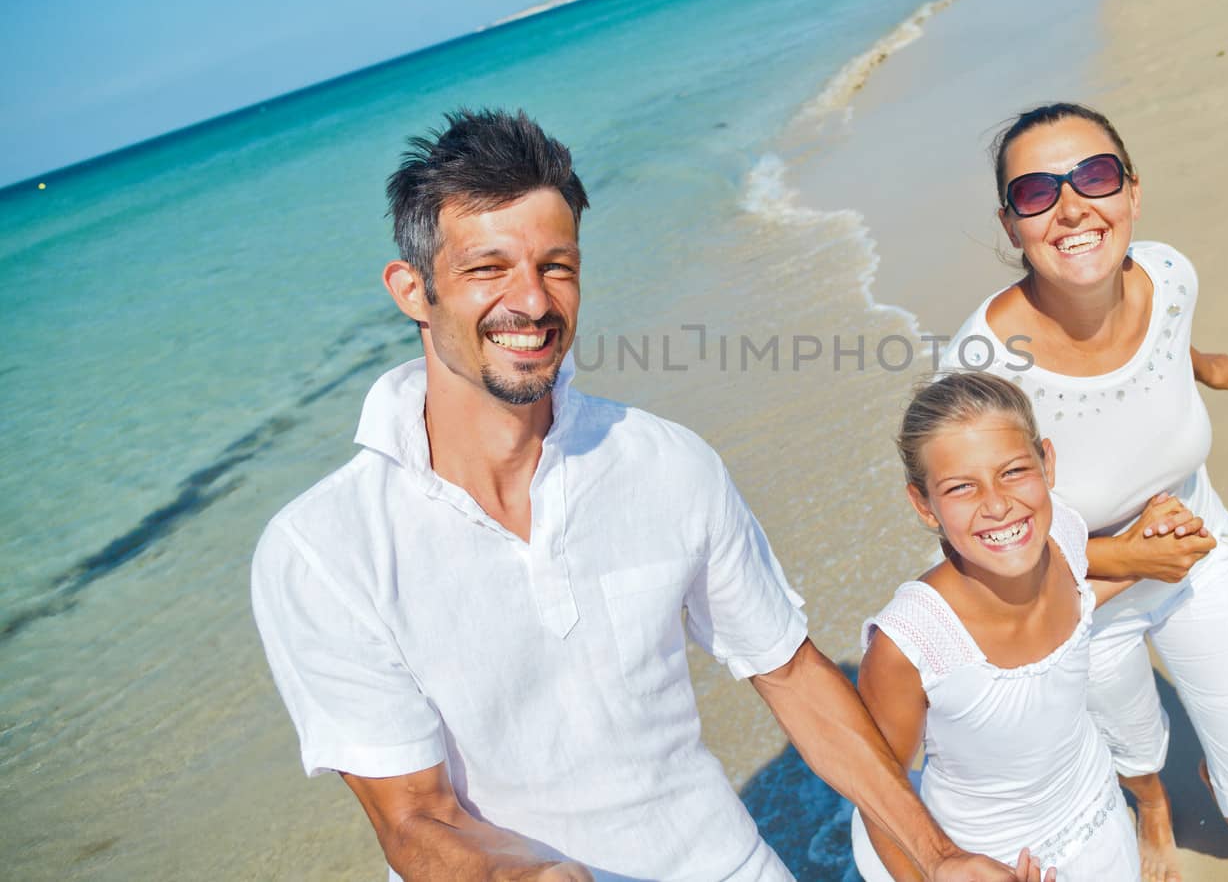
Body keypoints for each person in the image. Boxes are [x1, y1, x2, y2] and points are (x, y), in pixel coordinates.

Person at [250, 108, 1037, 882]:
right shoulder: (322, 549)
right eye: (487, 268)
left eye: (556, 264)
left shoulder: (664, 462)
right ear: (413, 290)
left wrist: (937, 856)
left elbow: (787, 670)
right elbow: (412, 816)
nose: (531, 301)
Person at [942, 103, 1228, 880]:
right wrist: (1127, 554)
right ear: (1012, 226)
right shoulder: (983, 366)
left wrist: (1207, 364)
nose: (1073, 205)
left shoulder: (1172, 273)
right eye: (1038, 192)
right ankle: (1152, 802)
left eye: (1096, 176)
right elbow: (982, 550)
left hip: (1200, 540)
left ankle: (1226, 773)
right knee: (1137, 744)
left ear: (1133, 194)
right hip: (1082, 588)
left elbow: (1163, 340)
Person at [850, 372, 1209, 882]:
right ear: (923, 504)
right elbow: (881, 795)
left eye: (1014, 471)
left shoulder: (1060, 531)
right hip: (985, 857)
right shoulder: (911, 645)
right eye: (960, 487)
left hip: (1094, 808)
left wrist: (1146, 558)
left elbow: (1075, 605)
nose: (997, 505)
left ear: (1048, 463)